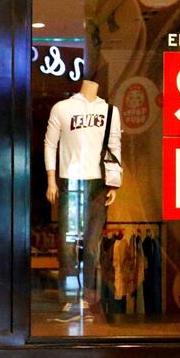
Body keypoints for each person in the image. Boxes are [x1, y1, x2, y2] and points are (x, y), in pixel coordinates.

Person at [43, 79, 122, 322]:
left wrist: (114, 182)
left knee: (91, 246)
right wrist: (51, 180)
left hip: (98, 183)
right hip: (71, 181)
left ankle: (88, 298)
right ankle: (68, 298)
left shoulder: (110, 111)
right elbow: (50, 144)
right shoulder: (62, 108)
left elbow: (114, 145)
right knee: (67, 243)